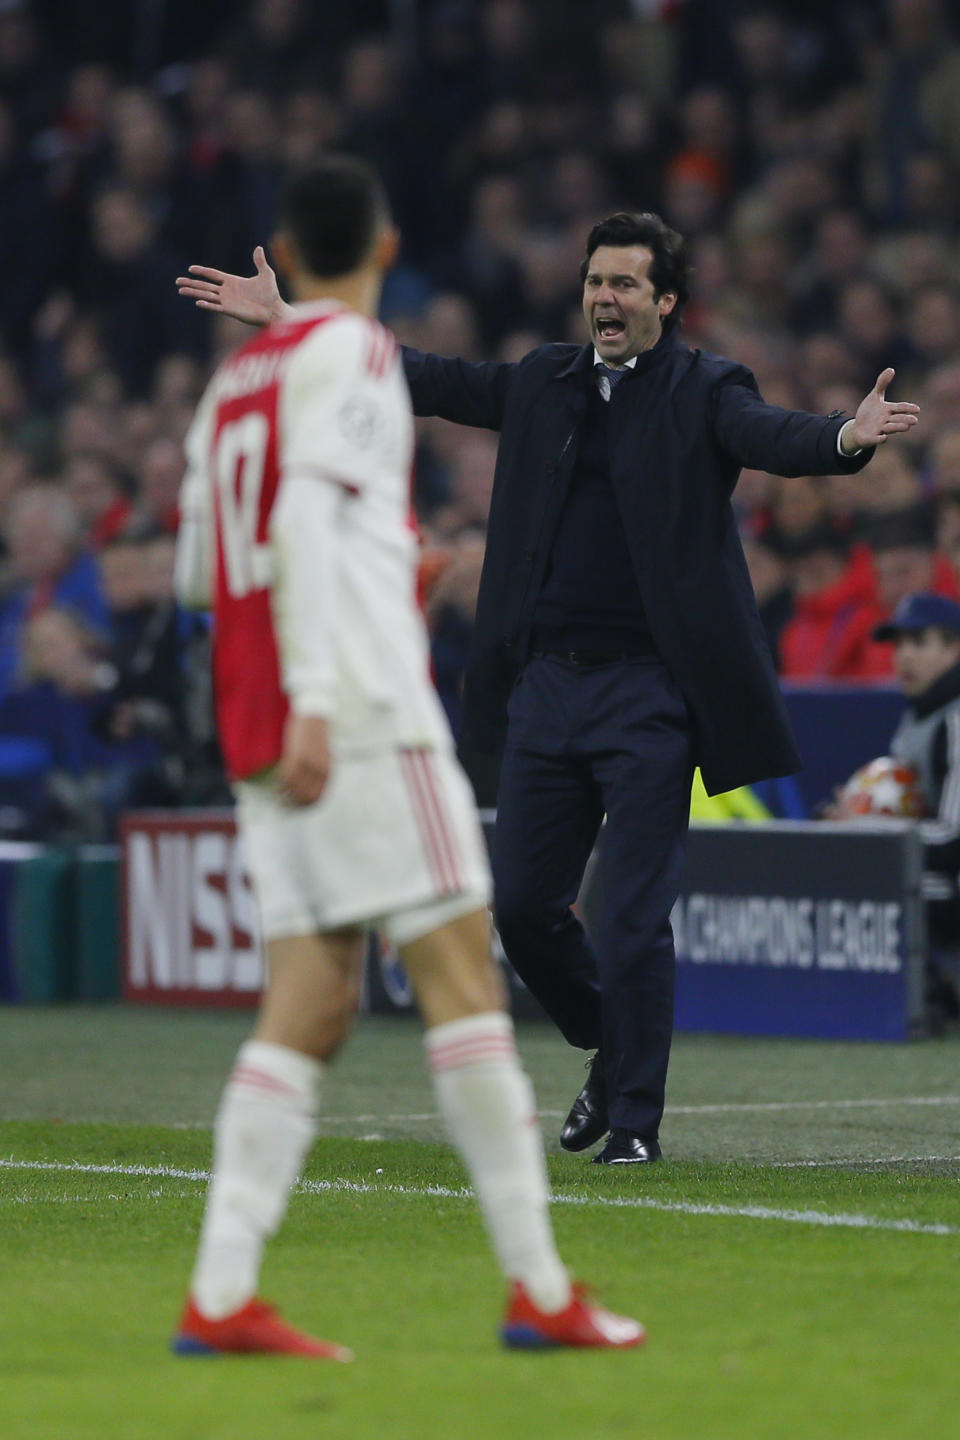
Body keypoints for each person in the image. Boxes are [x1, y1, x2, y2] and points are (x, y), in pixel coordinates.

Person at [176, 211, 919, 1166]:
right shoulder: (541, 380)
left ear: (665, 302)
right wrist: (295, 325)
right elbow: (426, 377)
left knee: (634, 916)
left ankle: (637, 1125)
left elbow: (774, 435)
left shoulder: (706, 389)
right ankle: (611, 1052)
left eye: (625, 284)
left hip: (652, 696)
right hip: (546, 690)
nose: (605, 298)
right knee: (523, 907)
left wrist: (846, 439)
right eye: (596, 281)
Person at [170, 156, 643, 1359]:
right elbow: (301, 527)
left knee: (313, 1003)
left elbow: (201, 569)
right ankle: (538, 1286)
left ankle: (222, 1295)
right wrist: (327, 695)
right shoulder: (359, 355)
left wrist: (384, 580)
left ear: (293, 242)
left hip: (259, 728)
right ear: (382, 250)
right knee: (460, 985)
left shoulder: (234, 388)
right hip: (362, 719)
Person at [832, 591, 960, 1023]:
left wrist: (867, 830)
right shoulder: (917, 717)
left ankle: (928, 991)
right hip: (941, 871)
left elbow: (955, 837)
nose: (903, 656)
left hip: (951, 878)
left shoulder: (956, 720)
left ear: (954, 647)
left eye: (918, 642)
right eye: (897, 644)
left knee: (884, 881)